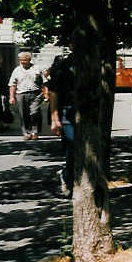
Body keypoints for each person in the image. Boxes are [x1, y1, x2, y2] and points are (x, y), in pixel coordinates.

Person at [48, 51, 75, 196]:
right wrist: (55, 119)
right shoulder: (63, 67)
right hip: (67, 113)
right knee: (72, 147)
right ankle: (67, 177)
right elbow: (54, 93)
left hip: (85, 114)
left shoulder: (91, 62)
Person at [8, 52, 45, 140]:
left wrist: (45, 93)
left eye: (25, 60)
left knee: (34, 113)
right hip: (21, 94)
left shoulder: (37, 68)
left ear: (29, 60)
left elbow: (44, 81)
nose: (23, 62)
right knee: (23, 114)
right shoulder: (16, 70)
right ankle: (27, 133)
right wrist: (12, 97)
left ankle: (35, 132)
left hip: (35, 94)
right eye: (21, 60)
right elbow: (12, 85)